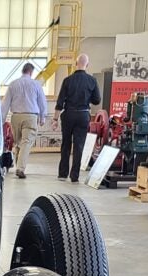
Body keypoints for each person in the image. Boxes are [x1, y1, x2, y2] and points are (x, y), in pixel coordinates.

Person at [54, 54, 101, 182]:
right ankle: (74, 176)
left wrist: (55, 119)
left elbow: (60, 101)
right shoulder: (92, 81)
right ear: (88, 64)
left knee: (66, 144)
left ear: (76, 63)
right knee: (79, 145)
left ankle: (62, 174)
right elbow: (97, 100)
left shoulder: (67, 80)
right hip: (83, 114)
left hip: (68, 114)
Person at [1, 63, 47, 178]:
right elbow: (42, 102)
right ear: (31, 72)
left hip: (16, 117)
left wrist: (1, 120)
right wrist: (43, 117)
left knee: (18, 143)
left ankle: (18, 167)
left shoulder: (13, 84)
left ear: (22, 71)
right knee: (26, 142)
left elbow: (5, 103)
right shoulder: (36, 85)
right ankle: (20, 168)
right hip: (31, 117)